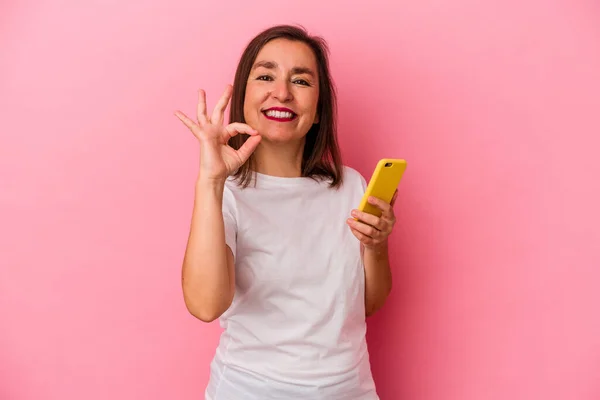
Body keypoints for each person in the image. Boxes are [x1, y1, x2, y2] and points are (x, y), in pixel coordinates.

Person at [174, 24, 398, 400]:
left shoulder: (353, 186)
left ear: (317, 110)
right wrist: (210, 181)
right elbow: (205, 305)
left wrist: (377, 246)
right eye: (265, 76)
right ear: (244, 97)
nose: (282, 92)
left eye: (301, 81)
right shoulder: (225, 193)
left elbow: (366, 306)